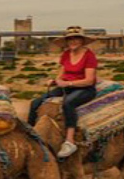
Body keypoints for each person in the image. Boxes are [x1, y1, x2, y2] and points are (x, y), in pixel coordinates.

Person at [27, 26, 98, 159]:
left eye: (76, 38)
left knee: (68, 103)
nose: (73, 41)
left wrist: (69, 83)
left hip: (84, 89)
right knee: (35, 103)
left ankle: (70, 141)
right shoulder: (66, 54)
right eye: (70, 39)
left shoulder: (89, 56)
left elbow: (89, 80)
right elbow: (62, 75)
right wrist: (55, 81)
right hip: (67, 86)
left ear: (82, 40)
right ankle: (30, 136)